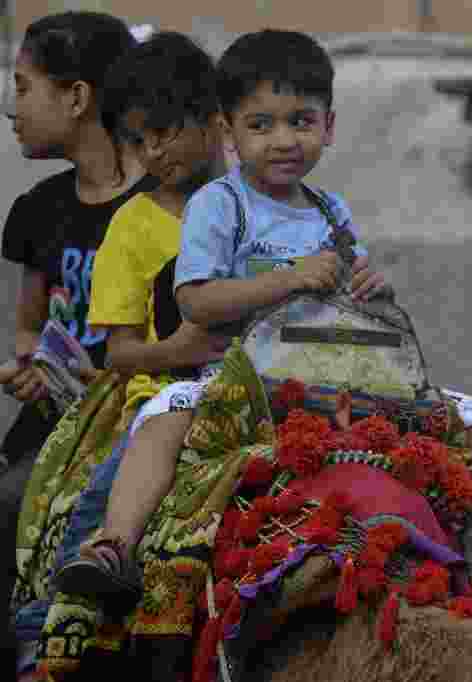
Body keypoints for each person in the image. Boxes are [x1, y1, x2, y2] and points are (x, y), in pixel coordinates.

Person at [57, 28, 472, 609]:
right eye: (261, 124)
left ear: (328, 127)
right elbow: (196, 300)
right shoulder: (219, 205)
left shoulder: (332, 209)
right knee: (163, 412)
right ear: (229, 133)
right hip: (244, 381)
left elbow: (353, 297)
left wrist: (375, 290)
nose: (283, 140)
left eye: (301, 121)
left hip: (343, 380)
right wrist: (288, 279)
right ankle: (114, 542)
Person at [0, 11, 154, 675]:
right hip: (51, 425)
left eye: (24, 86)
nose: (13, 108)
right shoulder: (38, 210)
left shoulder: (165, 206)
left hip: (133, 425)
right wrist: (31, 364)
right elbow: (30, 322)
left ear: (76, 96)